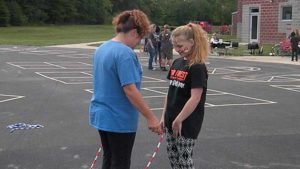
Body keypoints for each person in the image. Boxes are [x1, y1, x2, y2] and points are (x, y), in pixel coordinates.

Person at [89, 10, 161, 169]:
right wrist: (150, 117)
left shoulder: (102, 48)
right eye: (140, 38)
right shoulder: (125, 53)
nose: (138, 43)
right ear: (134, 32)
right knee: (120, 162)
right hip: (118, 119)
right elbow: (130, 89)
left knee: (109, 158)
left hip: (101, 115)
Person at [160, 23, 209, 169]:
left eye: (180, 46)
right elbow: (170, 91)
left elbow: (195, 98)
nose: (177, 49)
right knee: (173, 158)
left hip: (186, 123)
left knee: (184, 161)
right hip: (171, 120)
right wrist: (164, 116)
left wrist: (179, 119)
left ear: (192, 42)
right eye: (175, 46)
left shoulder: (197, 67)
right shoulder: (177, 62)